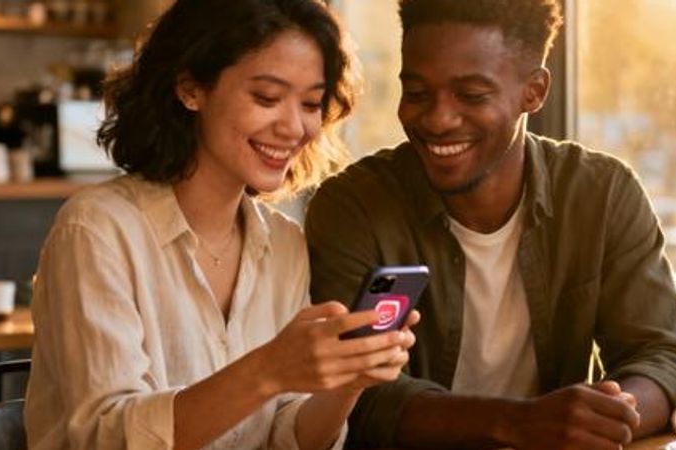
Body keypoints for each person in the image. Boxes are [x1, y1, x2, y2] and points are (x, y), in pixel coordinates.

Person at [305, 0, 676, 449]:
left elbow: (665, 358)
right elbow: (353, 395)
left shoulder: (602, 195)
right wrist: (518, 423)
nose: (437, 119)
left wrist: (603, 415)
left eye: (471, 96)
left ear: (534, 91)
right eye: (416, 93)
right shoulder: (352, 206)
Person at [23, 1, 419, 449]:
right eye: (267, 98)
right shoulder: (97, 230)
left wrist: (348, 382)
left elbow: (289, 436)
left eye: (311, 103)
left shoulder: (284, 243)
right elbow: (106, 437)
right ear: (191, 88)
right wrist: (268, 370)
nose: (294, 127)